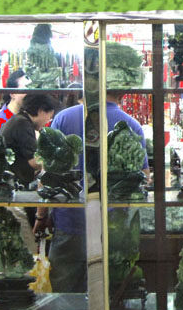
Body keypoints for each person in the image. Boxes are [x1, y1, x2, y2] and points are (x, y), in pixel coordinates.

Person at [34, 91, 149, 293]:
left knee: (65, 295)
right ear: (122, 93)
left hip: (70, 222)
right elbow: (143, 177)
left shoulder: (63, 118)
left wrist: (41, 216)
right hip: (113, 225)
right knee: (108, 294)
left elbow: (47, 176)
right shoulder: (131, 124)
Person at [1, 93, 58, 187]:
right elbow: (34, 160)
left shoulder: (19, 120)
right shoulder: (22, 124)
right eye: (49, 117)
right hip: (13, 183)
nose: (48, 121)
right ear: (41, 111)